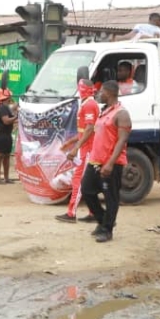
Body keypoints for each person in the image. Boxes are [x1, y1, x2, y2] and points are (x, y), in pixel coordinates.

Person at [80, 81, 130, 243]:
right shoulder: (104, 111)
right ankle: (104, 221)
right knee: (87, 190)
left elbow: (122, 141)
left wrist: (110, 163)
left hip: (111, 163)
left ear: (109, 93)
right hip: (95, 160)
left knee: (111, 197)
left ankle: (107, 230)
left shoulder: (121, 114)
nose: (98, 93)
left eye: (101, 91)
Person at [58, 78, 99, 223]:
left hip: (87, 149)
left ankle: (71, 213)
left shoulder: (89, 105)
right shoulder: (88, 104)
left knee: (79, 180)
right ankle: (93, 212)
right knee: (88, 181)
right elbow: (85, 130)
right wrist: (72, 141)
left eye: (80, 88)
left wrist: (76, 148)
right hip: (87, 147)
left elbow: (89, 129)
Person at [0, 88, 16, 183]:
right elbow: (6, 121)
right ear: (8, 97)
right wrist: (16, 117)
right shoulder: (3, 108)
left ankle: (6, 178)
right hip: (2, 135)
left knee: (7, 156)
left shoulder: (5, 107)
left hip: (6, 135)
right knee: (0, 156)